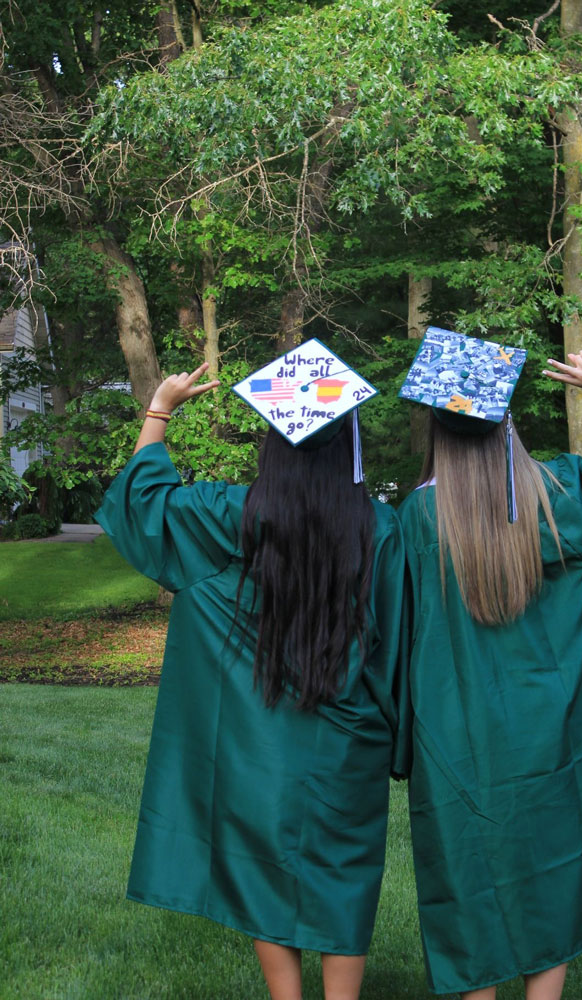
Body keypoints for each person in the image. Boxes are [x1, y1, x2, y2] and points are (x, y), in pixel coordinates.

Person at [95, 360, 407, 1000]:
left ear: (273, 443)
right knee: (344, 873)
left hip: (258, 740)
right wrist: (397, 735)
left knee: (266, 869)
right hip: (349, 741)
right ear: (346, 443)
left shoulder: (228, 512)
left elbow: (142, 503)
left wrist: (159, 410)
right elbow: (394, 640)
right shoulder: (380, 527)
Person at [397, 341, 582, 1000]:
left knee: (468, 874)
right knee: (553, 868)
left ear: (438, 430)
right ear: (506, 422)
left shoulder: (416, 520)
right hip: (554, 735)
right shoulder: (563, 495)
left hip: (457, 741)